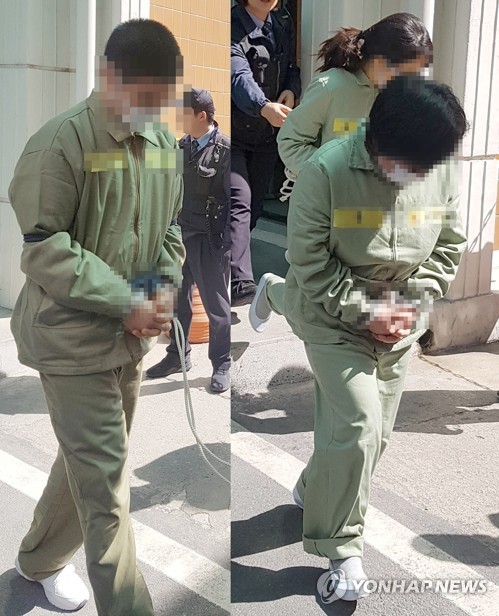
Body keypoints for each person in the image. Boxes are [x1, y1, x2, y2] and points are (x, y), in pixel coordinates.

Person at [250, 76, 468, 600]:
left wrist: (411, 304)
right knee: (359, 425)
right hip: (334, 318)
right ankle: (341, 550)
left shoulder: (437, 169)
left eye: (426, 167)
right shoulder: (325, 171)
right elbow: (310, 261)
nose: (416, 176)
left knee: (375, 438)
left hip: (399, 321)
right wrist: (366, 309)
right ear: (376, 138)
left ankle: (314, 485)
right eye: (407, 164)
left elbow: (447, 246)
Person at [8, 19, 185, 615]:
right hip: (70, 342)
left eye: (160, 101)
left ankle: (38, 561)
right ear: (109, 75)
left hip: (129, 341)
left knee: (87, 463)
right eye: (143, 97)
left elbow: (169, 230)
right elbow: (43, 247)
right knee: (107, 489)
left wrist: (159, 290)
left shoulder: (162, 144)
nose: (151, 113)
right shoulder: (60, 143)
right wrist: (125, 301)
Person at [146, 89, 231, 394]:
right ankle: (177, 356)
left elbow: (235, 204)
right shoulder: (181, 147)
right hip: (180, 236)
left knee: (216, 308)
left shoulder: (225, 151)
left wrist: (227, 244)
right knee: (177, 302)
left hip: (210, 240)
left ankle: (222, 364)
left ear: (201, 115)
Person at [277, 12, 433, 178]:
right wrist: (331, 176)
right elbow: (291, 143)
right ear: (379, 60)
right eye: (405, 73)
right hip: (329, 192)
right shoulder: (331, 87)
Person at [230, 0, 301, 306]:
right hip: (232, 135)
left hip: (266, 136)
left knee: (254, 206)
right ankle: (239, 282)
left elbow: (291, 67)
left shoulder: (282, 22)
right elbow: (238, 76)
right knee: (239, 201)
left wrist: (292, 90)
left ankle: (225, 263)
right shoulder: (232, 24)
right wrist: (262, 106)